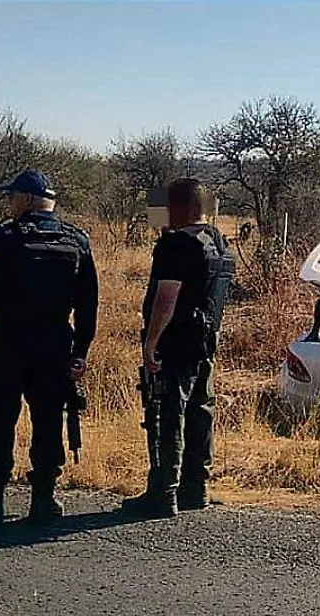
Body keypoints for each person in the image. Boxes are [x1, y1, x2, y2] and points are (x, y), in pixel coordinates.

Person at [0, 169, 99, 525]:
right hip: (56, 343)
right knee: (48, 419)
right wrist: (80, 353)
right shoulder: (76, 240)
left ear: (28, 199)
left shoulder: (5, 237)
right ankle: (44, 500)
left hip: (8, 341)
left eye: (12, 196)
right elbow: (89, 304)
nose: (9, 203)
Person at [121, 178, 236, 519]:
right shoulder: (218, 244)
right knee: (201, 410)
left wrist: (151, 341)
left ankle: (163, 492)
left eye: (166, 208)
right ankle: (194, 488)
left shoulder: (176, 245)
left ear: (181, 209)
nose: (161, 215)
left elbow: (166, 297)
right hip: (205, 341)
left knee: (167, 412)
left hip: (176, 341)